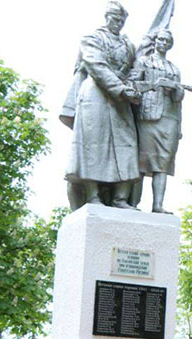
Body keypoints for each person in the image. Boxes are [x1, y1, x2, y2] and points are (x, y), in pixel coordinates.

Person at [61, 1, 140, 210]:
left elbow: (134, 69)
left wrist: (132, 87)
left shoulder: (128, 44)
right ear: (107, 17)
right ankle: (92, 195)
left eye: (121, 21)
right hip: (95, 95)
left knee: (128, 144)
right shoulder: (91, 39)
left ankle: (120, 198)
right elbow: (96, 65)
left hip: (121, 98)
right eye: (115, 19)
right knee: (92, 146)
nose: (118, 24)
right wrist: (120, 88)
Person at [129, 28, 184, 214]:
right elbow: (132, 85)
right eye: (161, 39)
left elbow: (179, 102)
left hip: (169, 119)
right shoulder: (144, 62)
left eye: (167, 41)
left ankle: (157, 205)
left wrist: (177, 91)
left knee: (164, 162)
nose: (164, 43)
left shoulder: (174, 69)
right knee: (142, 161)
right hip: (148, 116)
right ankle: (133, 203)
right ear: (155, 41)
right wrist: (154, 85)